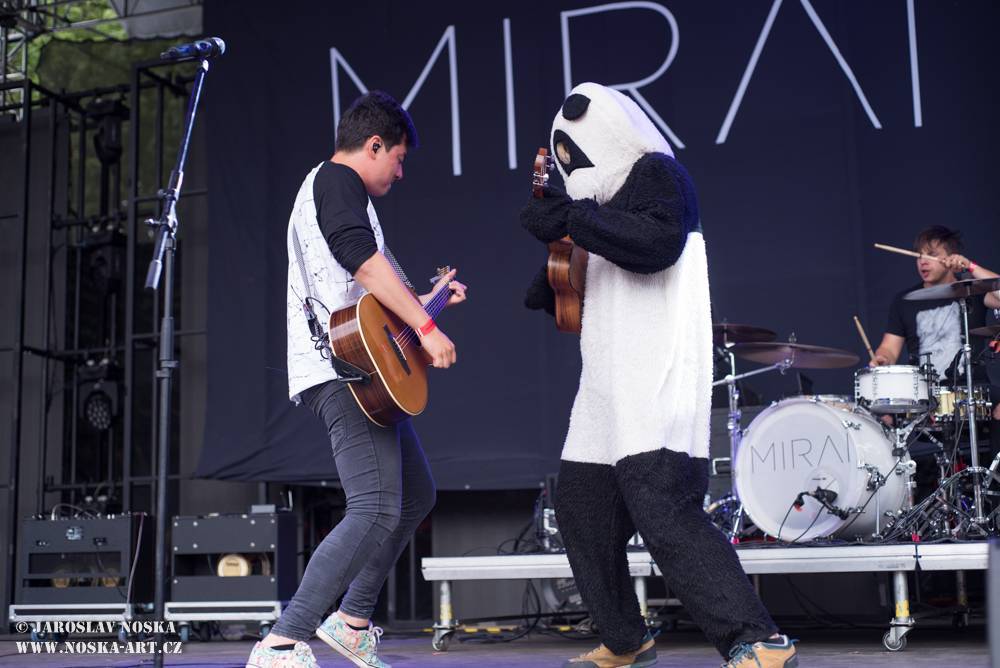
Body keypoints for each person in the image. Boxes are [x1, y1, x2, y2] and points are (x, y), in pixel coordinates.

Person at [521, 82, 796, 668]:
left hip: (656, 371)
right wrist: (549, 262)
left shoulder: (656, 174)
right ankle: (625, 638)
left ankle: (757, 638)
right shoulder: (595, 211)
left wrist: (570, 216)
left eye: (575, 154)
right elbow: (570, 286)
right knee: (581, 511)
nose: (571, 167)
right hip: (605, 387)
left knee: (665, 509)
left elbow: (658, 243)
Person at [246, 91, 466, 668]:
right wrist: (427, 324)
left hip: (362, 366)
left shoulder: (342, 195)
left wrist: (429, 301)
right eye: (398, 157)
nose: (400, 170)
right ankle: (283, 641)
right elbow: (361, 263)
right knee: (372, 506)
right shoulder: (336, 181)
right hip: (340, 369)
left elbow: (370, 296)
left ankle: (352, 620)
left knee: (415, 494)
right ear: (373, 144)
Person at [871, 225, 1000, 463]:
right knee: (884, 418)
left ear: (951, 257)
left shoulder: (972, 288)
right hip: (926, 397)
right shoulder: (904, 301)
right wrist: (882, 359)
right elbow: (889, 348)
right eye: (919, 255)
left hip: (975, 390)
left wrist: (970, 267)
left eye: (931, 254)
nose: (923, 262)